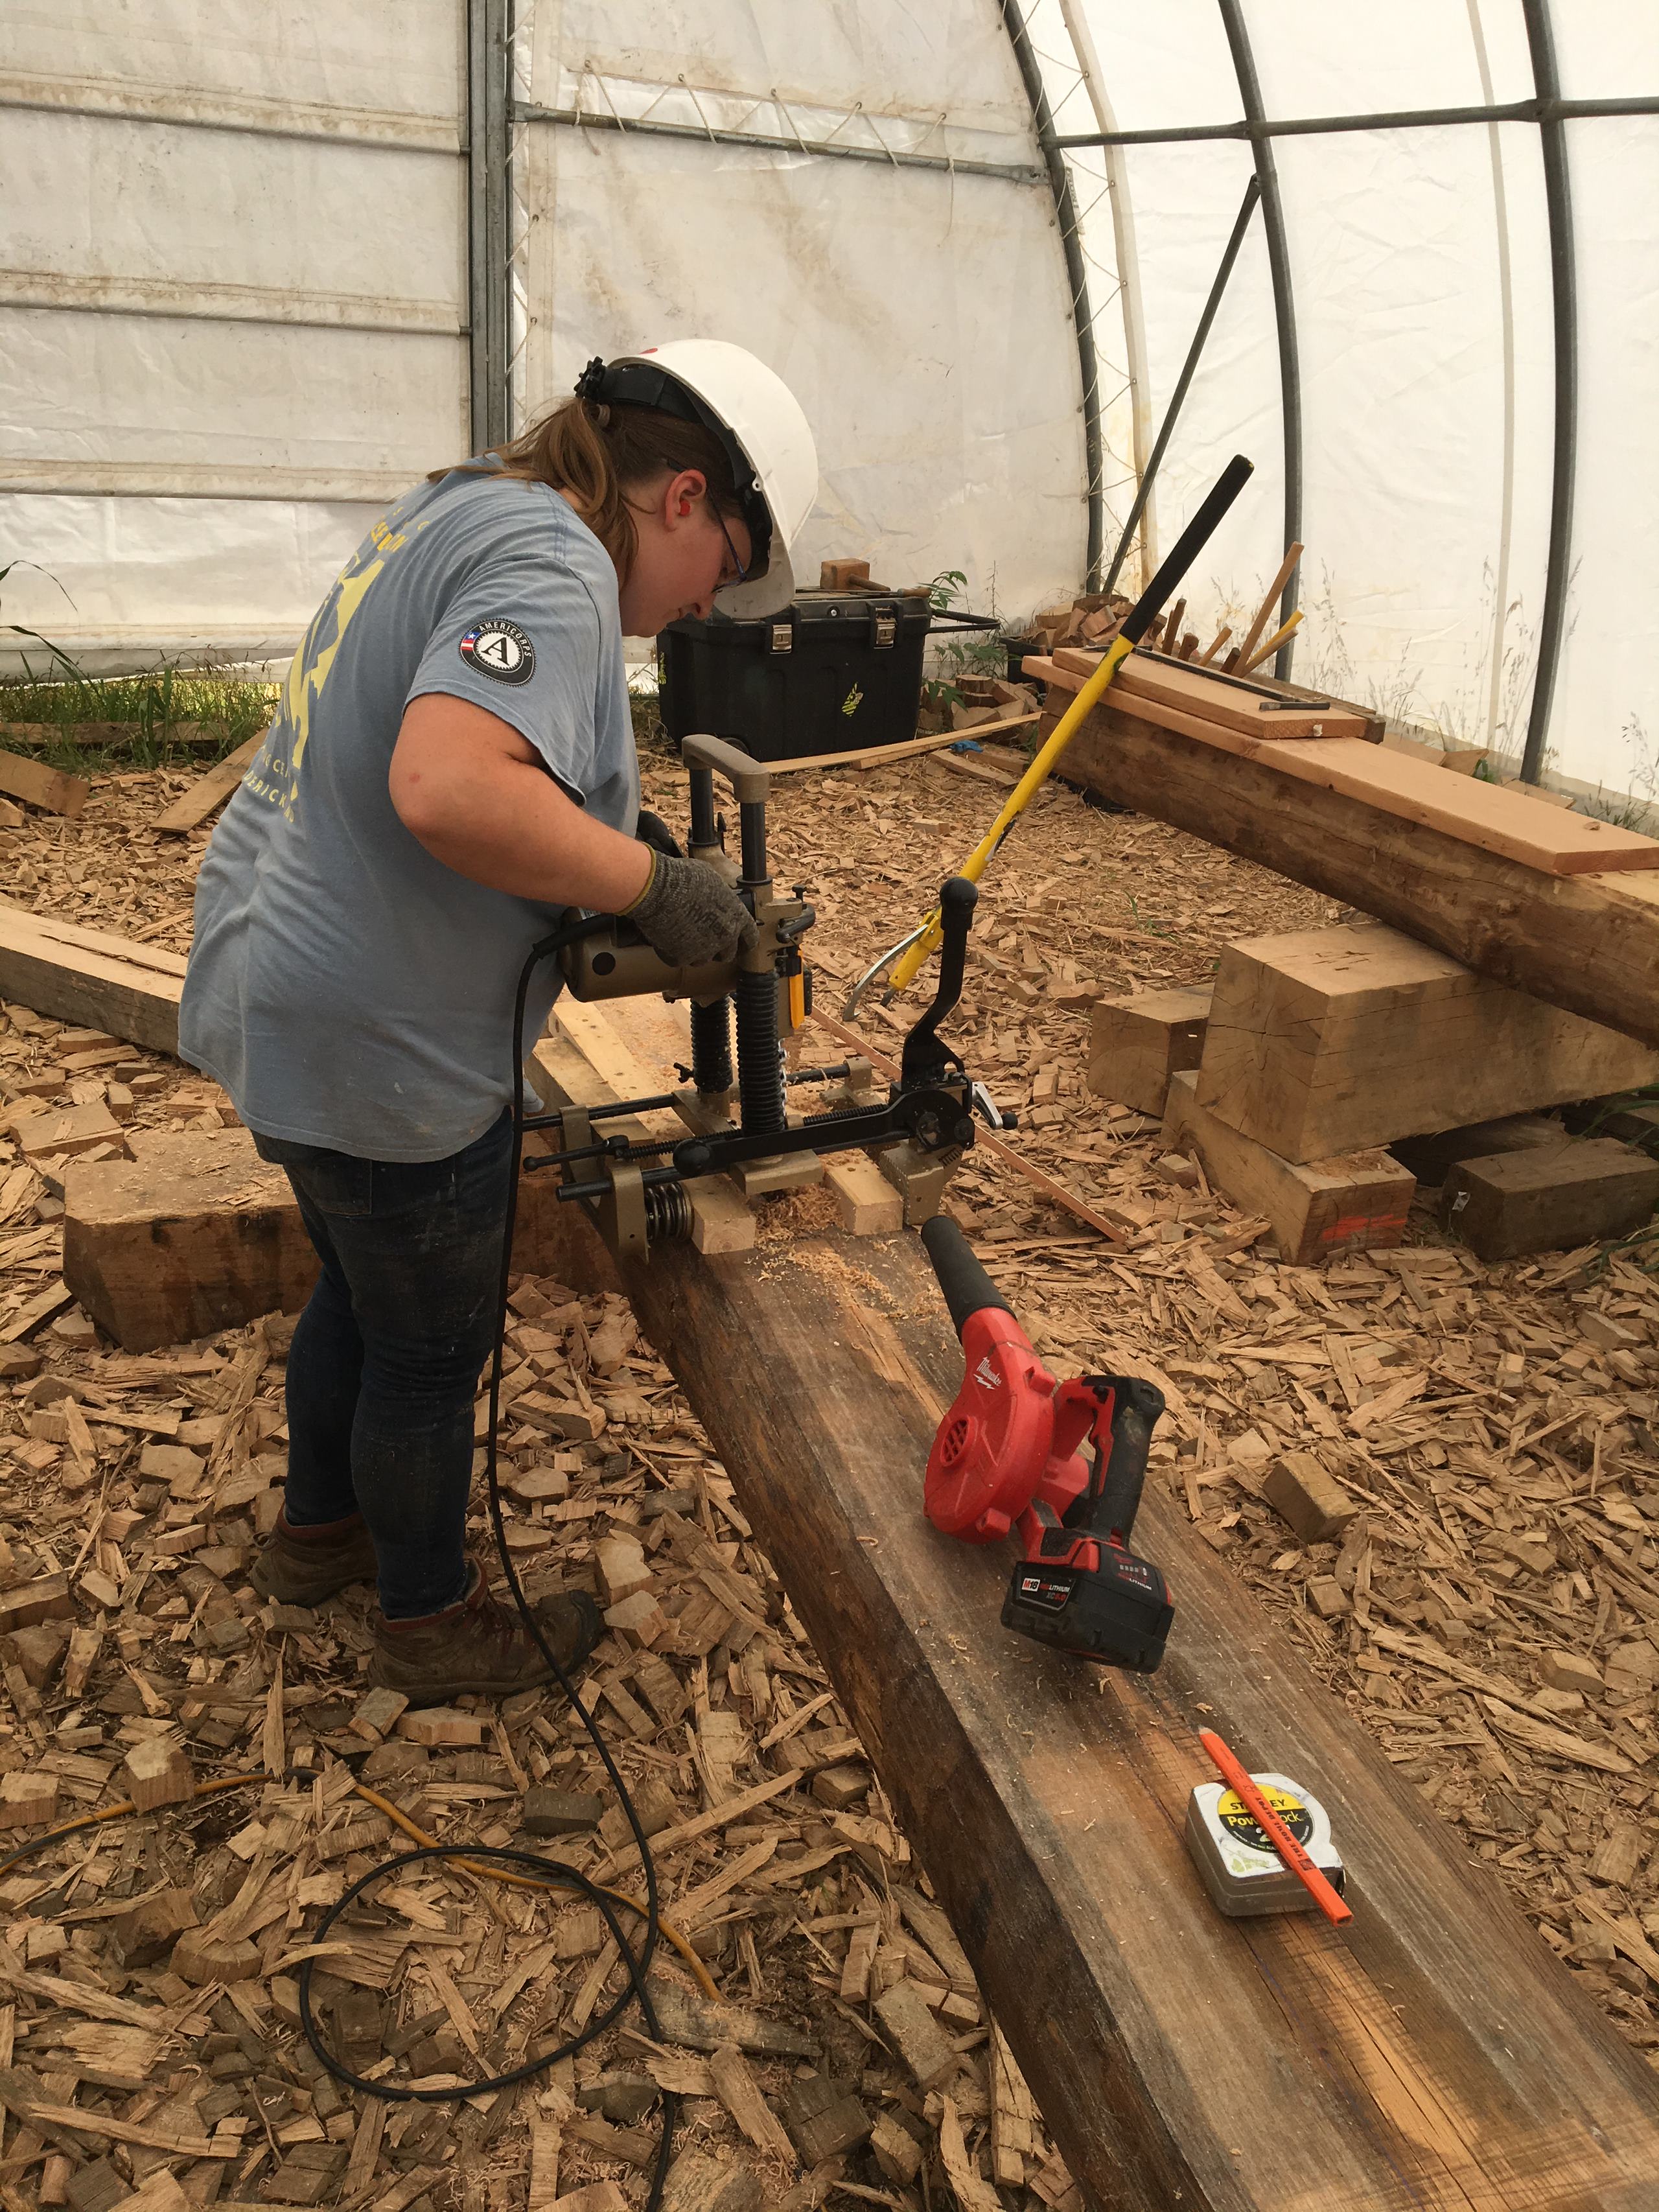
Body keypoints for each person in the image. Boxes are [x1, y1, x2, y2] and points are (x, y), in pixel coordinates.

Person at [179, 342, 818, 1704]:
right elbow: (452, 789)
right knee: (428, 1346)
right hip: (380, 1036)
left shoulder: (463, 503)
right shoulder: (556, 565)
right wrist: (655, 881)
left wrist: (605, 830)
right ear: (683, 498)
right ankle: (425, 1617)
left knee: (357, 1290)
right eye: (726, 562)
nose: (708, 603)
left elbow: (475, 756)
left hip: (280, 990)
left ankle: (317, 1537)